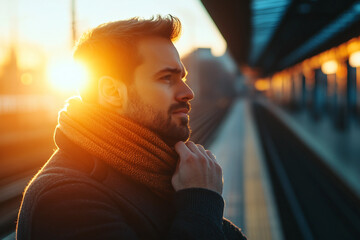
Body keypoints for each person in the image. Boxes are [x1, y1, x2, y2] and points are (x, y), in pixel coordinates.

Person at [16, 15, 247, 240]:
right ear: (112, 93)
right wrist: (200, 201)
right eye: (167, 78)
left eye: (183, 78)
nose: (188, 92)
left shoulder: (152, 169)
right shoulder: (63, 199)